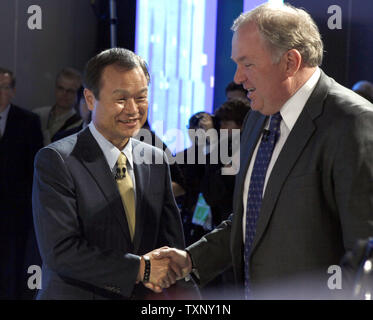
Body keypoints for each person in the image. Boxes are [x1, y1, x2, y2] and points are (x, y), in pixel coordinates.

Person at [154, 3, 373, 299]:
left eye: (248, 64)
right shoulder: (258, 116)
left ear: (290, 62)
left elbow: (363, 256)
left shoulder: (353, 122)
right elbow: (252, 218)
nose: (238, 78)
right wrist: (192, 260)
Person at [32, 48, 198, 299]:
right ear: (90, 99)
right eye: (121, 99)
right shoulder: (57, 160)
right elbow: (60, 251)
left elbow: (171, 246)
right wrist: (141, 268)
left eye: (141, 97)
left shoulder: (155, 159)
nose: (133, 110)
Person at [0, 67, 43, 299]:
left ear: (13, 91)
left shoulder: (28, 121)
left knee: (12, 271)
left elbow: (35, 170)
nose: (0, 92)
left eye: (4, 87)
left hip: (15, 214)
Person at [33, 67, 83, 145]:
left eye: (70, 91)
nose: (64, 94)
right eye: (60, 88)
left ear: (78, 95)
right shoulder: (37, 115)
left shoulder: (80, 126)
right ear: (55, 89)